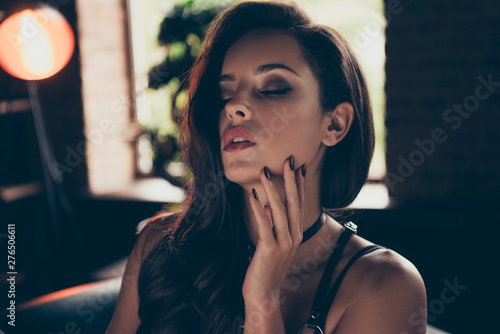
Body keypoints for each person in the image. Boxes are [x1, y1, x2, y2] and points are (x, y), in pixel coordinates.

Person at [106, 1, 427, 333]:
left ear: (335, 124)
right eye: (225, 93)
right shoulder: (160, 243)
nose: (235, 107)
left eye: (273, 89)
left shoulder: (385, 285)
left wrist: (263, 302)